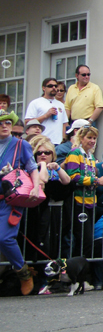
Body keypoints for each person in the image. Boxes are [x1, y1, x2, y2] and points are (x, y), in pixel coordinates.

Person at [0, 110, 41, 295]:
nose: (4, 125)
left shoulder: (20, 144)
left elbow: (33, 167)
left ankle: (23, 273)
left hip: (10, 200)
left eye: (8, 122)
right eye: (1, 122)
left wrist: (36, 187)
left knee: (5, 238)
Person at [24, 136, 71, 262]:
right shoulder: (33, 168)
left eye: (47, 152)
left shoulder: (53, 167)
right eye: (39, 153)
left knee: (55, 242)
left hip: (55, 213)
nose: (43, 155)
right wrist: (43, 165)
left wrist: (58, 168)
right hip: (37, 212)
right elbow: (43, 179)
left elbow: (67, 181)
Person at [64, 125, 103, 261]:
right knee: (84, 240)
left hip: (90, 202)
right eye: (89, 137)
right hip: (77, 201)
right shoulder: (75, 153)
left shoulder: (91, 156)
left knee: (87, 241)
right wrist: (96, 180)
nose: (92, 141)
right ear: (81, 138)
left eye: (94, 138)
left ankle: (81, 273)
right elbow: (73, 176)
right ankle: (75, 272)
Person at [24, 78, 68, 145]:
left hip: (58, 143)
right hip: (42, 141)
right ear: (43, 88)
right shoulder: (36, 103)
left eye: (55, 86)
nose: (53, 88)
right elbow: (28, 122)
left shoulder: (61, 105)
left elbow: (64, 124)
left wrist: (63, 140)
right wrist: (46, 115)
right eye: (50, 86)